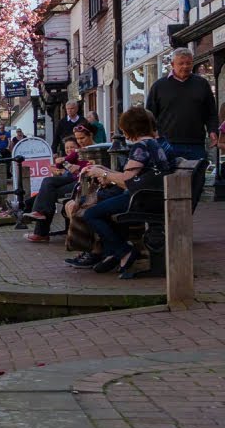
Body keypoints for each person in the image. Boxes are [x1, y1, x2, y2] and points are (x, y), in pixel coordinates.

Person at [77, 107, 172, 276]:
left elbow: (127, 181)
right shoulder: (152, 144)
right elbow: (130, 176)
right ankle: (114, 252)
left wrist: (103, 174)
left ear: (130, 128)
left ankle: (123, 251)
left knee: (91, 214)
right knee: (104, 209)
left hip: (142, 199)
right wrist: (102, 170)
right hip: (151, 195)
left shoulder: (140, 147)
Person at [146, 47, 219, 162]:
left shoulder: (202, 84)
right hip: (167, 143)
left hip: (196, 144)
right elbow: (149, 115)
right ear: (172, 64)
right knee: (169, 174)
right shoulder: (159, 86)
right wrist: (154, 136)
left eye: (188, 63)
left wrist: (213, 131)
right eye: (181, 63)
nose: (185, 66)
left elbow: (211, 113)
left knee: (197, 173)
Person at [23, 135, 88, 243]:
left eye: (72, 147)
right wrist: (60, 163)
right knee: (47, 187)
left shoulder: (85, 153)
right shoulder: (74, 155)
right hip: (71, 180)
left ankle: (38, 228)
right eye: (67, 147)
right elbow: (59, 164)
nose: (69, 150)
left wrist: (78, 168)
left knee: (47, 190)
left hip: (78, 183)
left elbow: (87, 168)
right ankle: (36, 216)